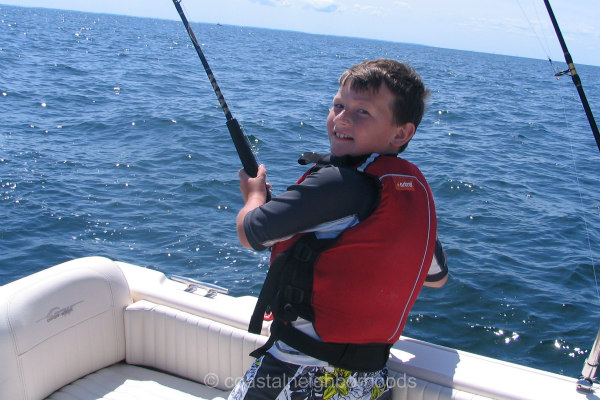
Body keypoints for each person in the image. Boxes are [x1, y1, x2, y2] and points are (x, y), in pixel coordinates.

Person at [229, 58, 448, 400]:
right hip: (369, 382)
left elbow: (252, 231)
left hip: (299, 375)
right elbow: (436, 278)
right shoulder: (406, 192)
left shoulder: (337, 183)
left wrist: (255, 195)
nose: (342, 118)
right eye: (339, 105)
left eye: (362, 112)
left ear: (401, 133)